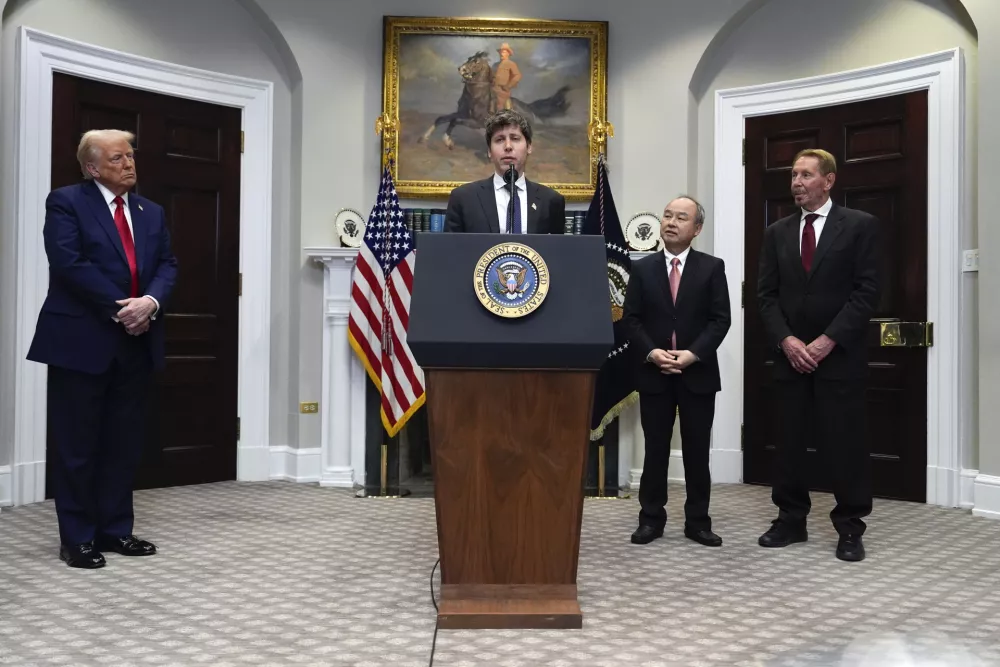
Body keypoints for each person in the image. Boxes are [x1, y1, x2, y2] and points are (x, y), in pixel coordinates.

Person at [27, 129, 178, 568]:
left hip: (137, 342)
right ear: (92, 167)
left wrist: (149, 303)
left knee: (123, 443)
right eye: (117, 159)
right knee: (77, 445)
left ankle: (115, 531)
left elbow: (167, 265)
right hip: (81, 340)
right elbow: (69, 262)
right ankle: (77, 538)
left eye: (131, 156)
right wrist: (123, 309)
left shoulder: (152, 212)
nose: (129, 164)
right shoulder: (67, 202)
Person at [756, 148, 880, 562]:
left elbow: (867, 293)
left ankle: (850, 527)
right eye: (793, 174)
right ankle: (790, 520)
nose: (796, 182)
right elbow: (766, 296)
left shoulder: (860, 226)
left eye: (806, 175)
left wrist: (827, 340)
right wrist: (787, 341)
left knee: (844, 444)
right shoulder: (777, 232)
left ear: (828, 181)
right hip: (791, 358)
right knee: (789, 443)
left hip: (839, 357)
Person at [622, 196, 731, 547]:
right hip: (655, 372)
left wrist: (693, 354)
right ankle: (650, 519)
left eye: (681, 217)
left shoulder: (712, 268)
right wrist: (652, 352)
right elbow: (631, 320)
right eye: (667, 215)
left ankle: (698, 522)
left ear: (696, 228)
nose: (670, 222)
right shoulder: (641, 269)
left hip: (696, 372)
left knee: (697, 450)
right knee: (655, 449)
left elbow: (720, 321)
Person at [443, 109, 565, 235]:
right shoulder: (463, 198)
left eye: (515, 138)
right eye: (499, 140)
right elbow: (452, 251)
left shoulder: (551, 201)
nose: (508, 146)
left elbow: (556, 252)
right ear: (489, 151)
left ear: (529, 147)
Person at [491, 43, 522, 112]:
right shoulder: (495, 65)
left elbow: (517, 75)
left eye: (504, 52)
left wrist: (508, 86)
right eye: (500, 52)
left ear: (508, 53)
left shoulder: (511, 64)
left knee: (500, 106)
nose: (501, 54)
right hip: (492, 89)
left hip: (503, 91)